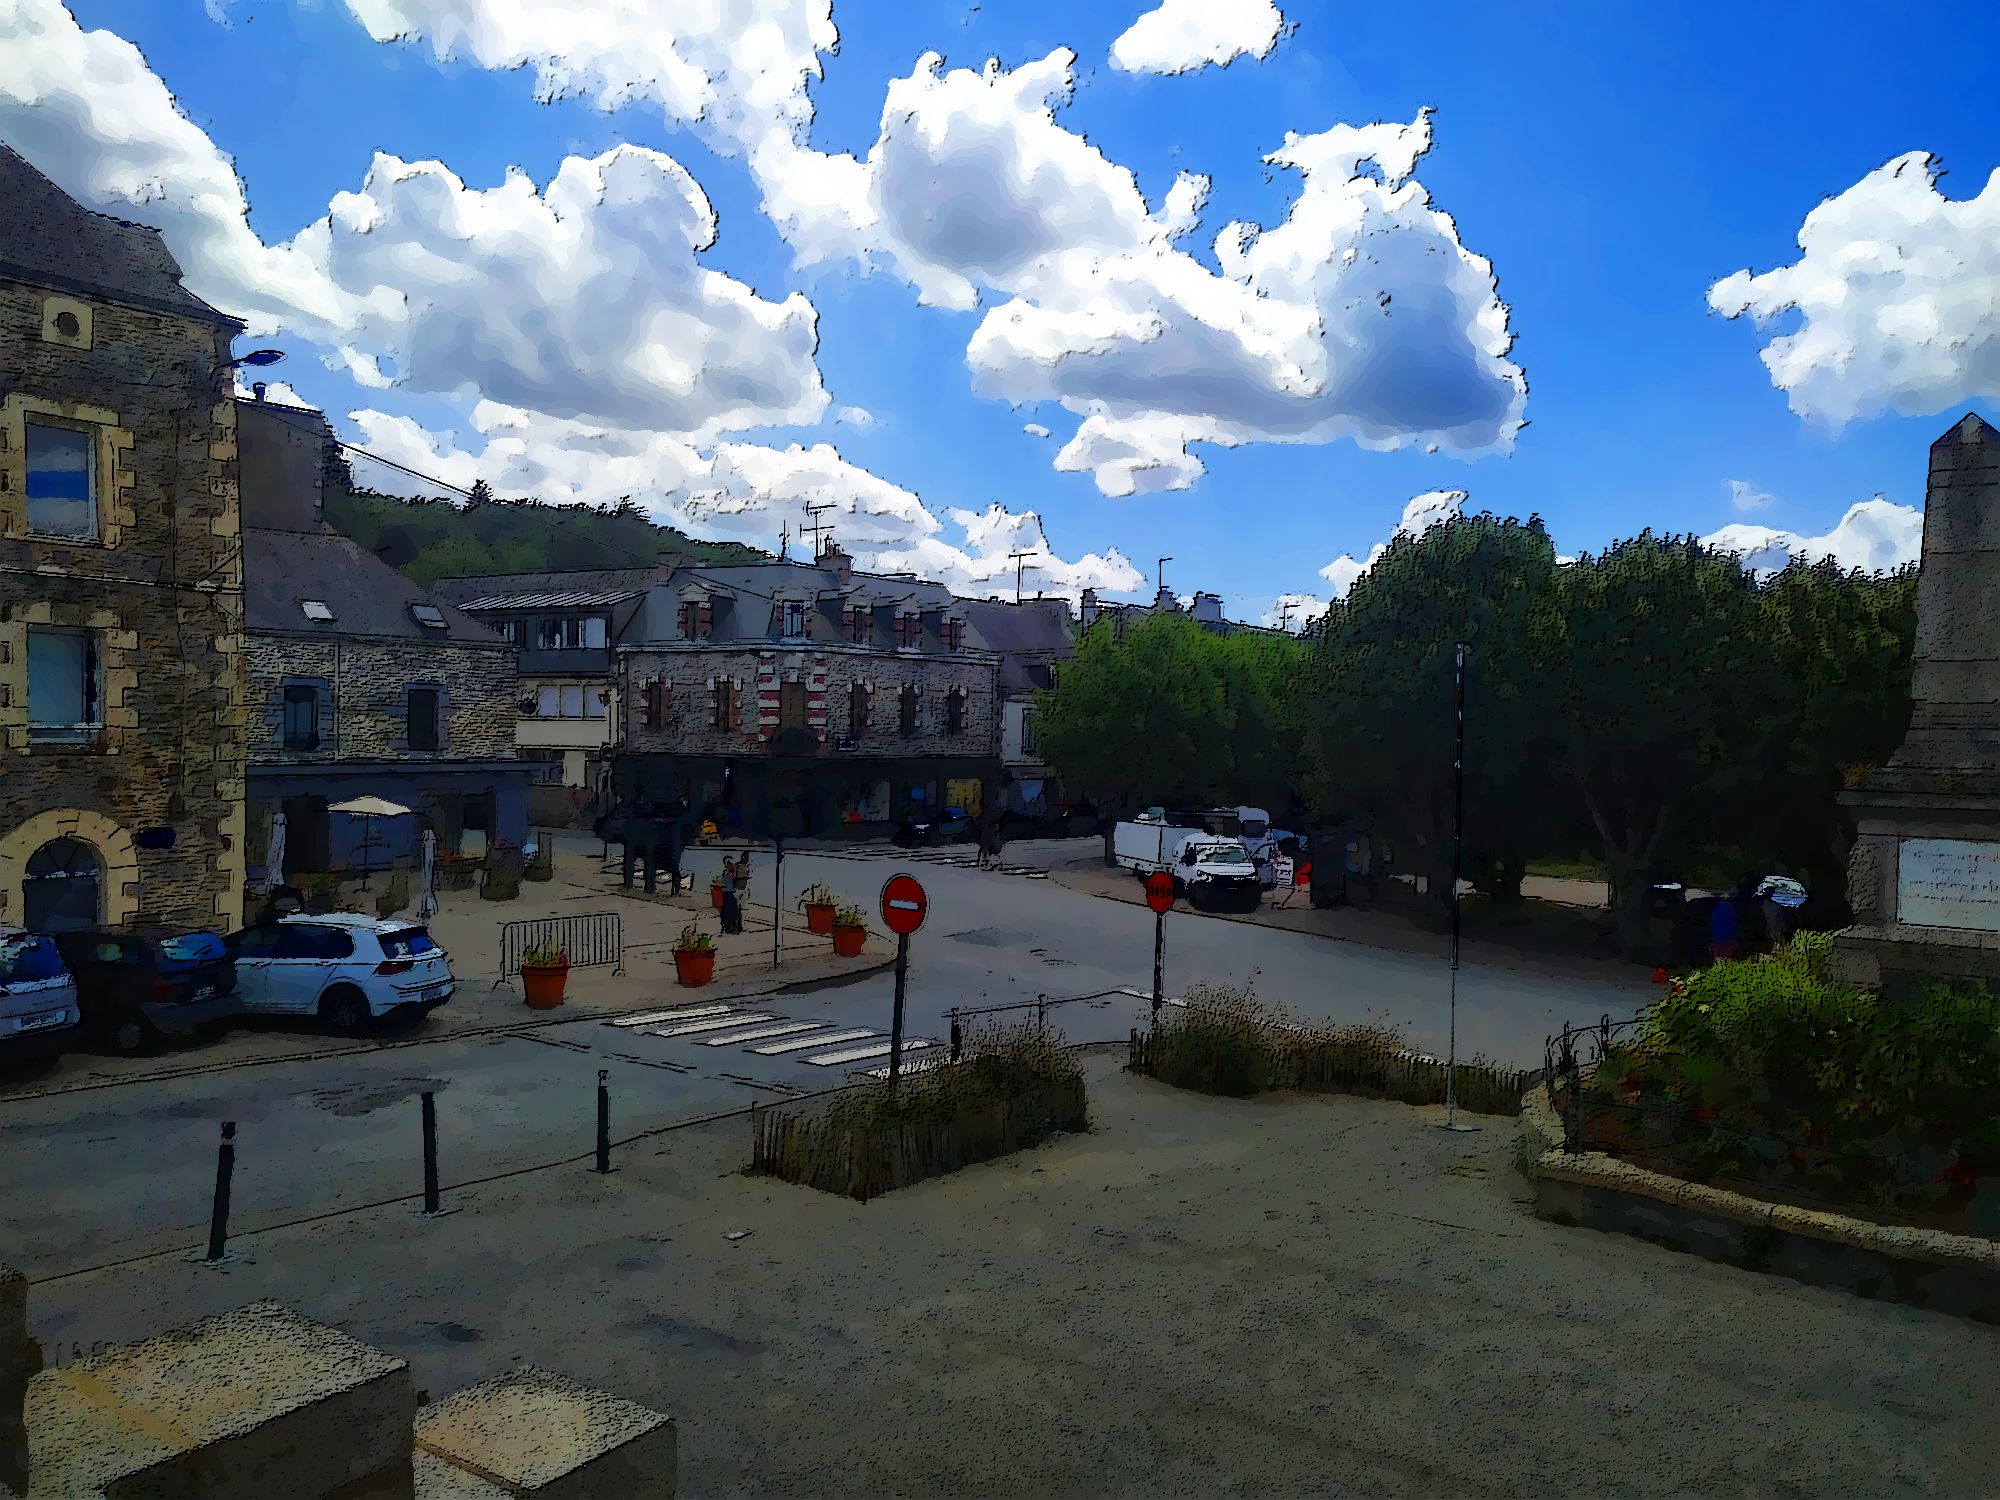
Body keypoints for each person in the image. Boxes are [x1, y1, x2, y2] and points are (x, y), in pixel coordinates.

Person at [1708, 894, 1739, 962]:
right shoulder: (1730, 909)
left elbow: (1712, 923)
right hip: (1727, 938)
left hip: (1718, 939)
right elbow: (1733, 923)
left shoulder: (1715, 910)